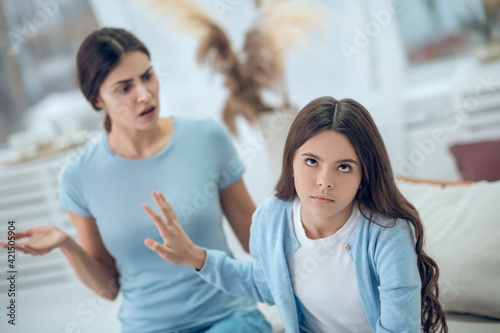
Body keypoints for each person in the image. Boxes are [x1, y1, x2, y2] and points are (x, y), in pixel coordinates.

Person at [0, 28, 271, 333]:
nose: (144, 94)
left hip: (229, 318)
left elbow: (256, 240)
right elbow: (108, 289)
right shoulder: (78, 176)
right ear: (96, 99)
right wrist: (67, 245)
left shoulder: (206, 137)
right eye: (124, 88)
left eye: (147, 76)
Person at [141, 96, 449, 333]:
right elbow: (266, 285)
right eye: (312, 161)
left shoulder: (387, 233)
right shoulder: (270, 219)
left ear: (363, 175)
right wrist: (196, 257)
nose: (324, 181)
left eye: (344, 167)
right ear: (291, 161)